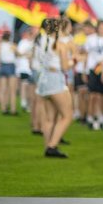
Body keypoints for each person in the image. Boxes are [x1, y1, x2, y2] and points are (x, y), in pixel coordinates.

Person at [36, 18, 74, 158]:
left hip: (43, 79)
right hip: (55, 79)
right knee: (67, 115)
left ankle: (48, 145)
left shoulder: (42, 41)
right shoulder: (59, 44)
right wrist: (73, 61)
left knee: (49, 118)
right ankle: (52, 146)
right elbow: (65, 67)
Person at [0, 31, 19, 115]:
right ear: (9, 37)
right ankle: (13, 109)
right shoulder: (12, 45)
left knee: (3, 89)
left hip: (2, 66)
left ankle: (3, 108)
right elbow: (18, 54)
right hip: (10, 66)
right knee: (12, 90)